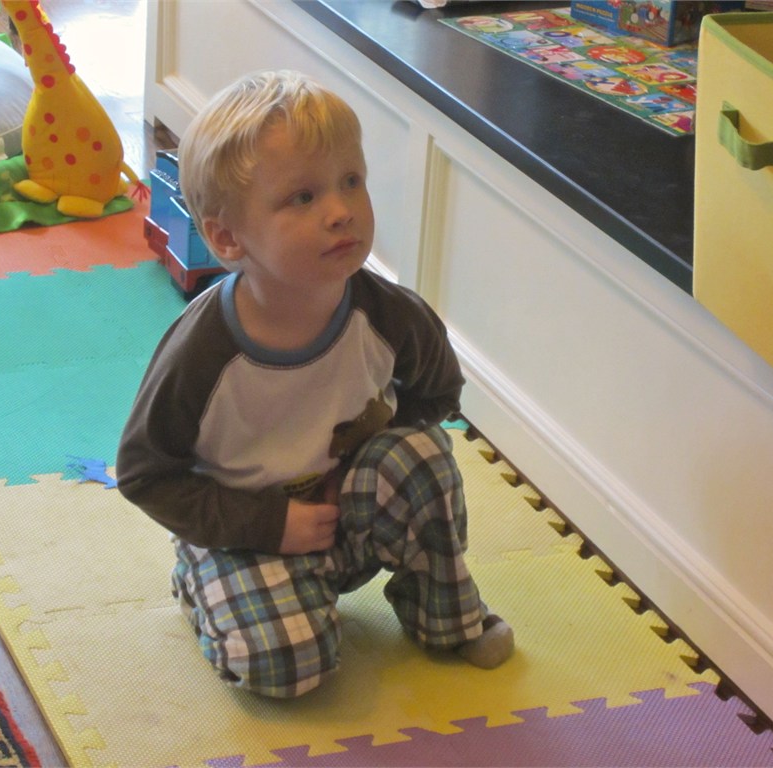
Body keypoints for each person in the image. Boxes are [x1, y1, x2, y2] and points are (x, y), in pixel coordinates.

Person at [116, 70, 514, 698]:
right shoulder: (202, 354)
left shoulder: (391, 316)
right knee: (290, 667)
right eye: (303, 197)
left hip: (343, 516)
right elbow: (144, 475)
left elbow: (437, 393)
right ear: (227, 237)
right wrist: (269, 524)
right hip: (246, 536)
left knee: (422, 456)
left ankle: (439, 610)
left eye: (350, 181)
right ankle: (203, 585)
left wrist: (364, 457)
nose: (340, 211)